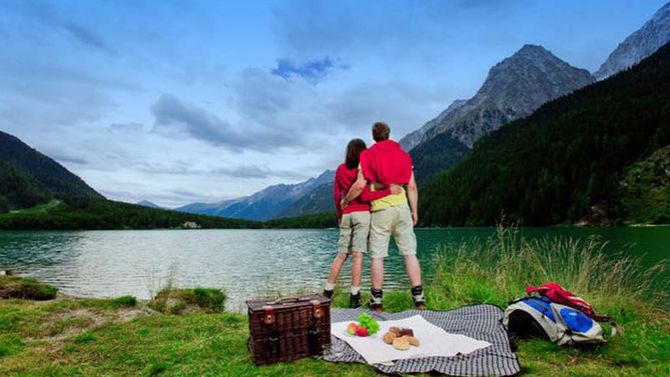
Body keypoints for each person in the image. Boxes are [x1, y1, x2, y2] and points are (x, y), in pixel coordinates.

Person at [344, 122, 425, 311]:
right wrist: (414, 211)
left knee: (377, 257)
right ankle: (419, 299)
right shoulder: (404, 156)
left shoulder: (368, 155)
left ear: (373, 136)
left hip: (381, 212)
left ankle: (377, 302)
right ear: (389, 134)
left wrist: (347, 200)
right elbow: (411, 186)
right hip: (402, 208)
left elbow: (359, 185)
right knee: (409, 254)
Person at [324, 138, 402, 308]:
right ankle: (354, 298)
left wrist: (339, 215)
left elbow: (337, 196)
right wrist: (388, 192)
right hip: (361, 214)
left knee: (341, 255)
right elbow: (365, 196)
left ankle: (327, 293)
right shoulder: (363, 170)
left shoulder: (340, 169)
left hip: (346, 215)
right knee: (358, 256)